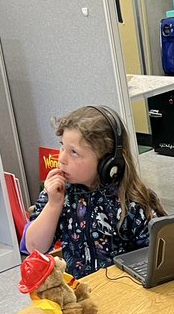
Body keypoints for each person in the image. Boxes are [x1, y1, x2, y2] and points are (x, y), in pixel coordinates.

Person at [23, 105, 165, 278]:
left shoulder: (131, 200)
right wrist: (54, 205)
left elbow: (160, 257)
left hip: (126, 291)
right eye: (62, 147)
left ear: (108, 162)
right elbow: (34, 246)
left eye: (74, 152)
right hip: (82, 292)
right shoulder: (59, 193)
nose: (61, 158)